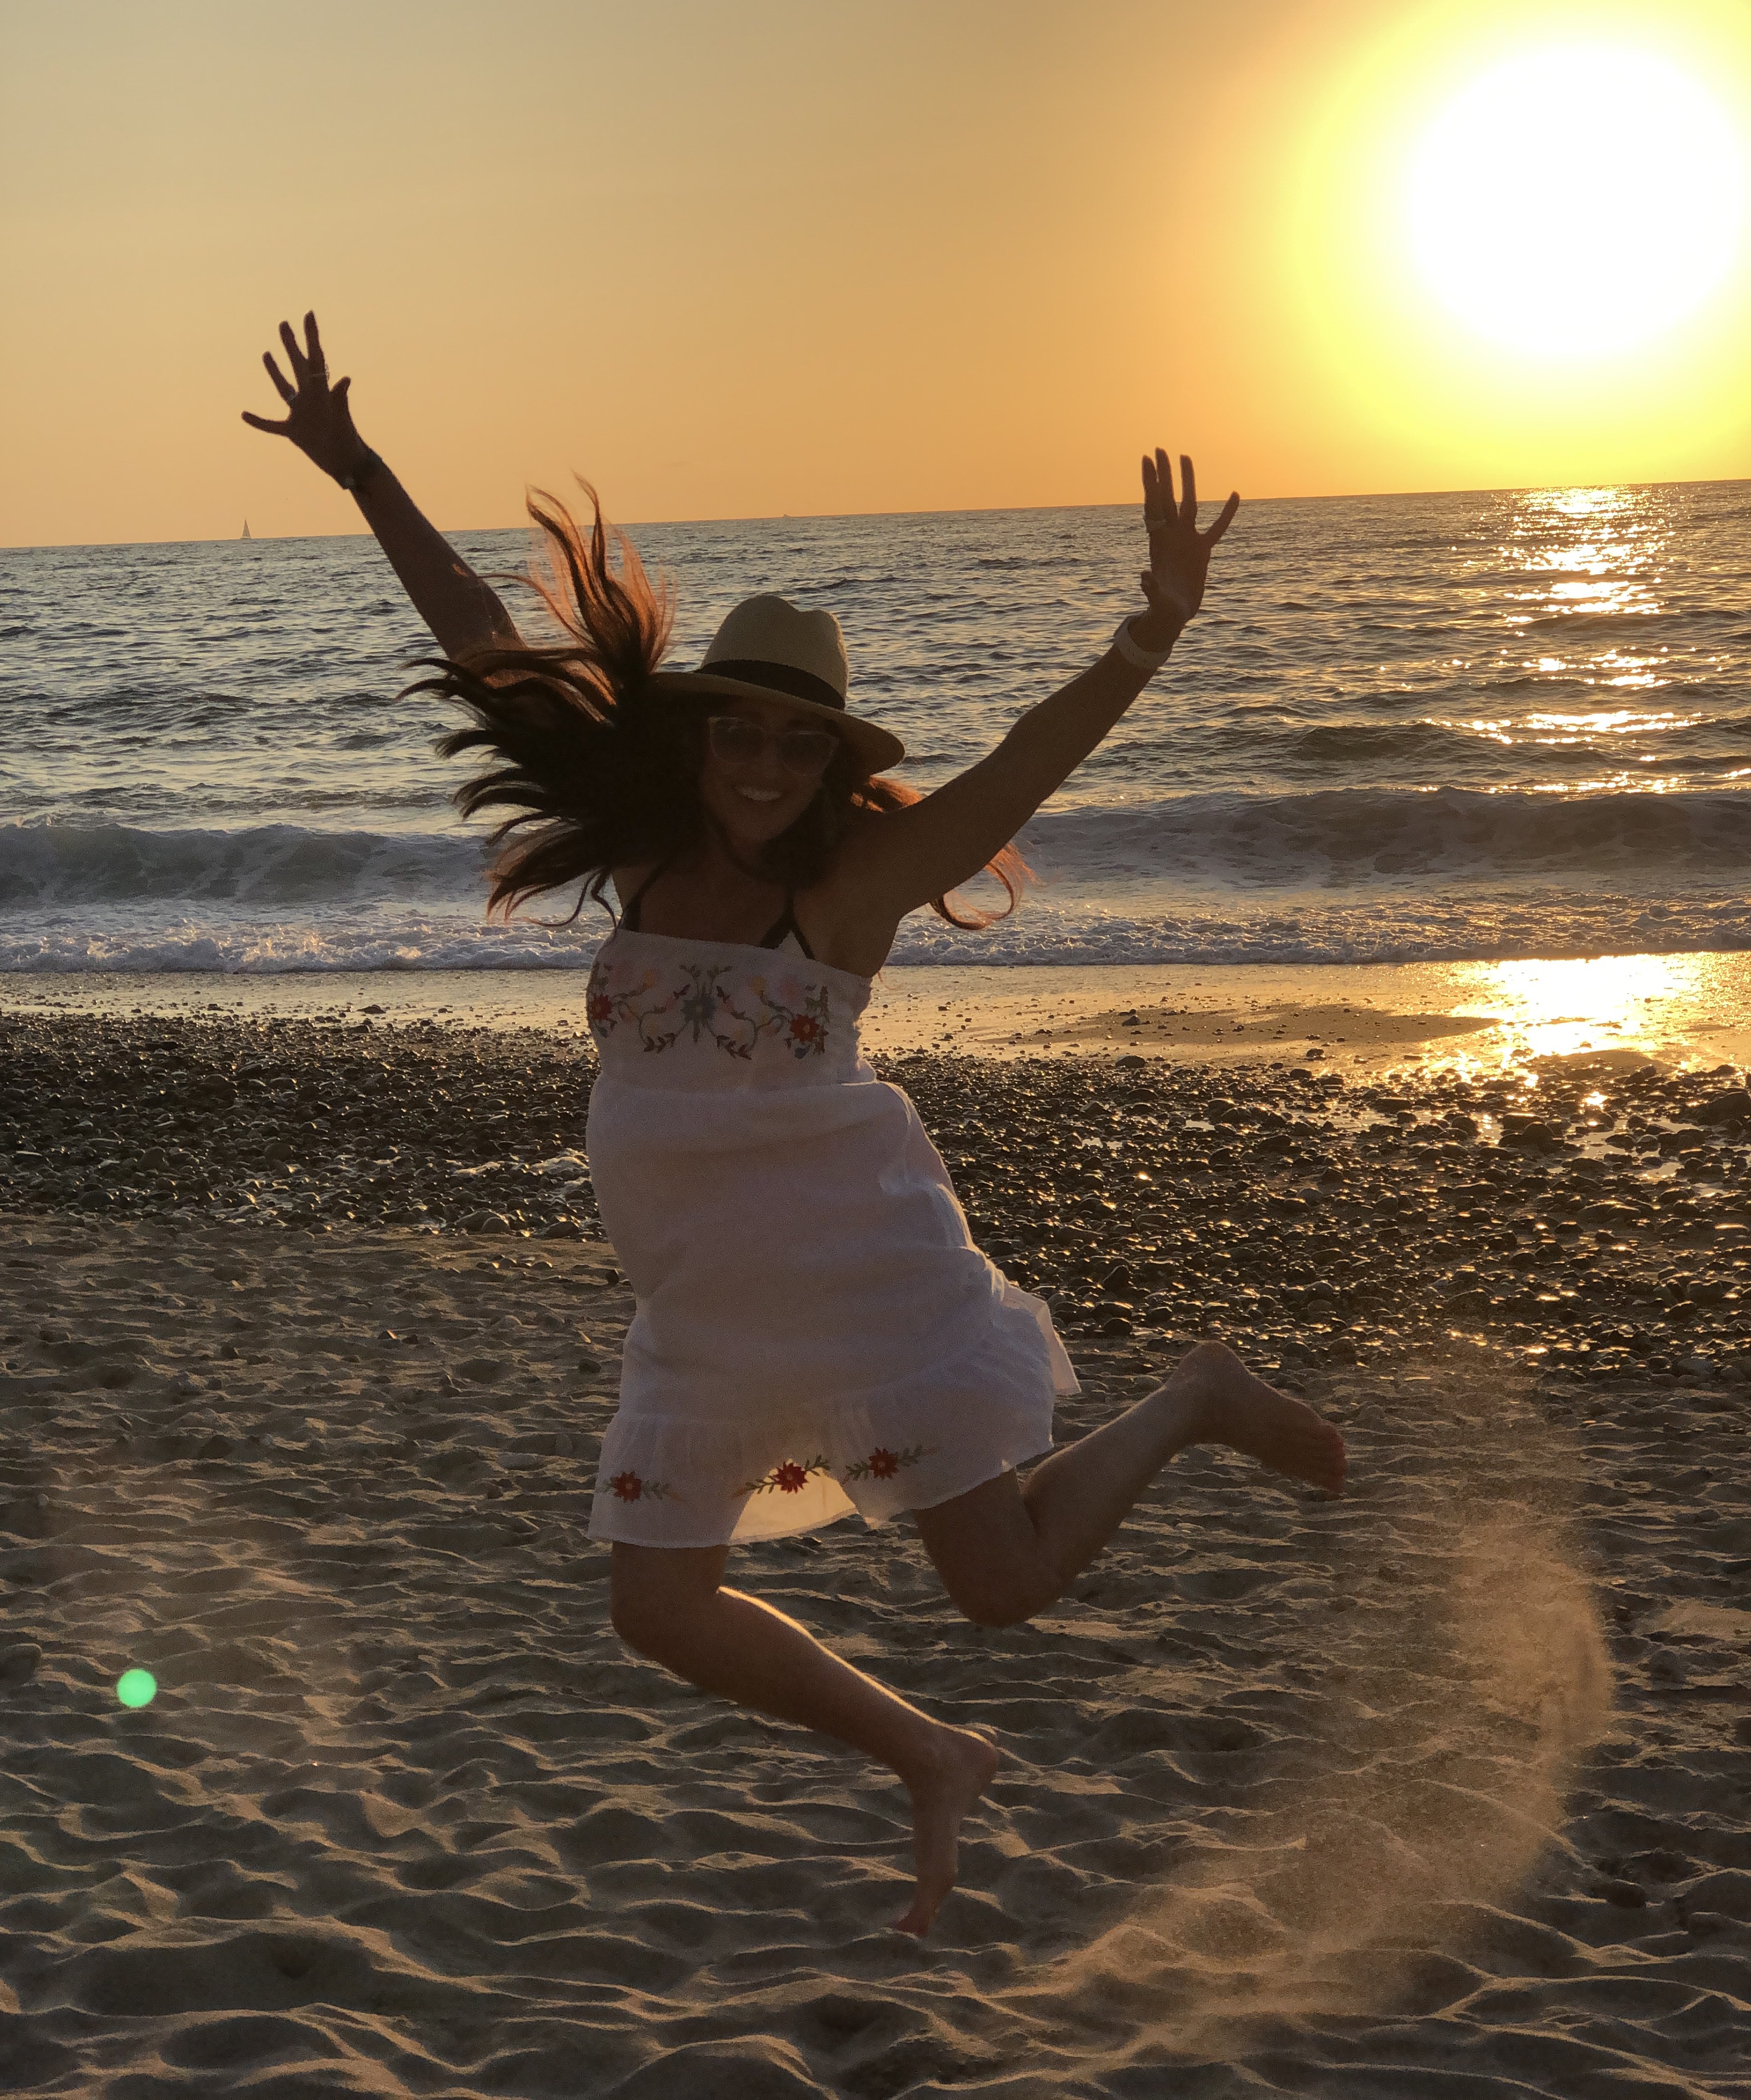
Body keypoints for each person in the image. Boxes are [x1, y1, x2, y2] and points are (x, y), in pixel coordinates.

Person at [246, 311, 1347, 1937]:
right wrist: (361, 471)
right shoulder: (642, 857)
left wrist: (1152, 630)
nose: (764, 764)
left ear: (831, 761)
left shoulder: (851, 887)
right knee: (656, 1605)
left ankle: (1196, 1396)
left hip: (855, 1273)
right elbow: (482, 632)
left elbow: (1021, 770)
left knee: (1002, 1586)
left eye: (797, 741)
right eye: (740, 731)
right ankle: (930, 1755)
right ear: (697, 738)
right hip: (701, 1307)